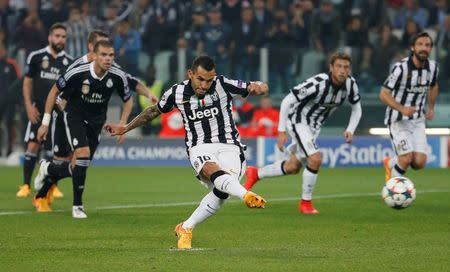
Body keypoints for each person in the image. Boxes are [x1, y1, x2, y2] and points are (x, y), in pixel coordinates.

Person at [104, 56, 268, 249]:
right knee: (210, 170)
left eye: (209, 80)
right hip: (199, 146)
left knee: (222, 191)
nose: (205, 85)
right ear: (190, 74)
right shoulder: (177, 92)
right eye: (200, 79)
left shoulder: (223, 84)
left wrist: (259, 86)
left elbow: (257, 86)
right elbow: (153, 111)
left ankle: (186, 226)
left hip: (230, 145)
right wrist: (126, 127)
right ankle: (246, 195)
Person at [32, 30, 157, 205]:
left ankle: (44, 181)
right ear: (92, 47)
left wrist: (148, 94)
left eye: (109, 52)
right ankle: (44, 195)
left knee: (80, 164)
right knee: (68, 159)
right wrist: (53, 119)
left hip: (92, 121)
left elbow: (131, 82)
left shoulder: (111, 68)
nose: (107, 56)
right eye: (102, 49)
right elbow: (60, 93)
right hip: (66, 116)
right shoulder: (77, 66)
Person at [244, 52, 362, 214]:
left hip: (313, 127)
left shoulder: (350, 84)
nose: (342, 70)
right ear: (331, 68)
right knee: (315, 158)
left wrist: (350, 129)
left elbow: (357, 108)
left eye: (346, 67)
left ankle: (256, 173)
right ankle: (305, 203)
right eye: (339, 66)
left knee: (293, 166)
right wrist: (281, 130)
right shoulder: (318, 83)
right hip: (298, 121)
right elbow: (287, 100)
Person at [16, 23, 73, 198]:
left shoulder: (69, 62)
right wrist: (28, 106)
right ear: (49, 37)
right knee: (32, 146)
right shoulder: (36, 57)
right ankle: (25, 185)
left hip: (56, 114)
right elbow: (27, 82)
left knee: (54, 152)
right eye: (57, 36)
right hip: (37, 110)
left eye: (63, 37)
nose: (60, 39)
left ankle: (52, 186)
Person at [380, 32, 439, 182]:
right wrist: (402, 109)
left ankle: (391, 163)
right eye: (420, 44)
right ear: (412, 47)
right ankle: (393, 189)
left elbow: (433, 86)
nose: (423, 48)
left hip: (418, 120)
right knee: (406, 159)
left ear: (431, 49)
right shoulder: (401, 68)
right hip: (398, 119)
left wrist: (431, 107)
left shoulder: (433, 68)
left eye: (427, 45)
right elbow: (384, 94)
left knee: (419, 163)